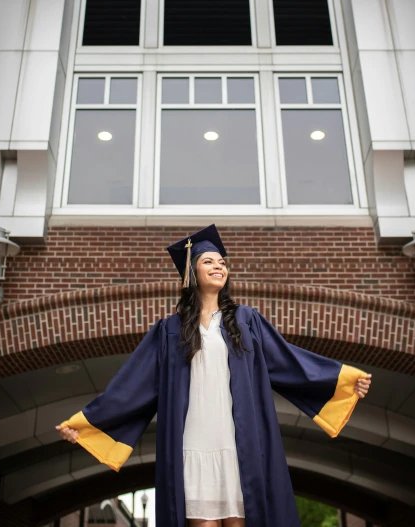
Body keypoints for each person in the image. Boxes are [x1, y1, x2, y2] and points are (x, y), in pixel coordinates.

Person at [57, 224, 372, 527]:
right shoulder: (169, 330)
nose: (219, 266)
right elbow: (133, 386)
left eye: (222, 262)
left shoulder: (247, 321)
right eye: (208, 261)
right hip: (193, 441)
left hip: (239, 441)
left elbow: (290, 362)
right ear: (191, 272)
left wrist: (341, 380)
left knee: (240, 521)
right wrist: (86, 423)